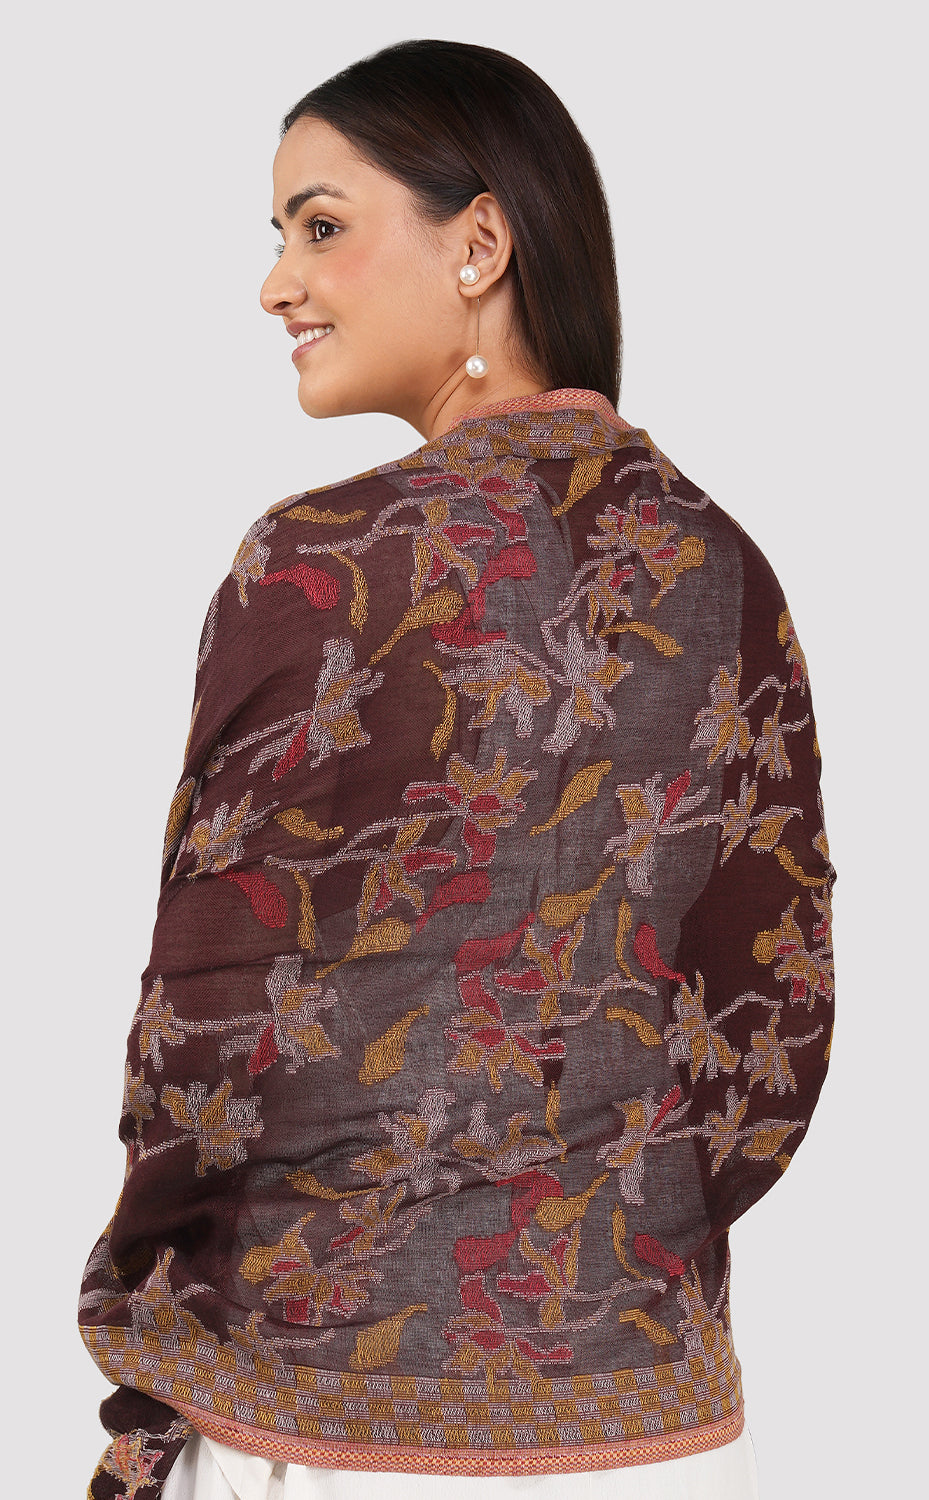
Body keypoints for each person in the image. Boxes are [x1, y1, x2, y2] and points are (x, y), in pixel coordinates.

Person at [79, 39, 835, 1500]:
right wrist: (617, 1243)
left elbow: (209, 1019)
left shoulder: (322, 563)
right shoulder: (724, 570)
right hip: (647, 1425)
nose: (277, 285)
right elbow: (773, 1011)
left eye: (320, 226)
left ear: (479, 243)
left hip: (321, 1412)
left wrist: (152, 1313)